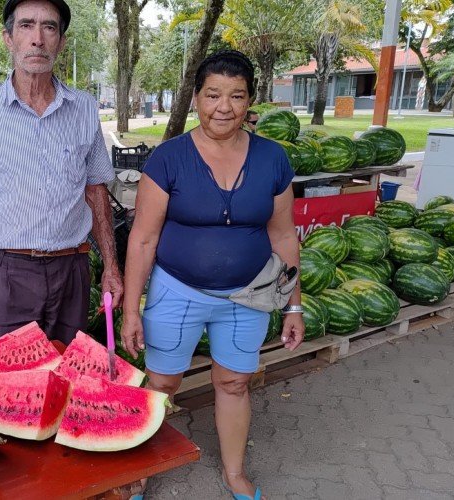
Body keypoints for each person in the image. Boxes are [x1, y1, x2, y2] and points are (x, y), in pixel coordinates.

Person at [121, 50, 304, 500]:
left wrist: (294, 305)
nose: (224, 106)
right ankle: (140, 470)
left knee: (234, 382)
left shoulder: (273, 159)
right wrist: (131, 310)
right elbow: (142, 240)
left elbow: (283, 237)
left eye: (236, 96)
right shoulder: (168, 158)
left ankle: (234, 472)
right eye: (213, 94)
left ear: (250, 102)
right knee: (162, 383)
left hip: (250, 295)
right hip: (176, 292)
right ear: (196, 99)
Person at [0, 0, 123, 344]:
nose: (37, 38)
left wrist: (112, 267)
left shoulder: (84, 108)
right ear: (8, 38)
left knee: (66, 381)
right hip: (6, 276)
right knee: (6, 388)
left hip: (72, 272)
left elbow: (96, 191)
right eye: (26, 26)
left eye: (49, 27)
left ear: (61, 41)